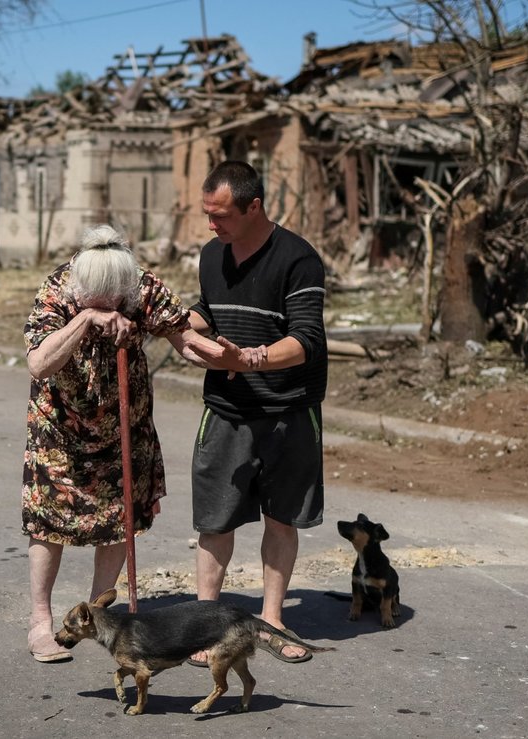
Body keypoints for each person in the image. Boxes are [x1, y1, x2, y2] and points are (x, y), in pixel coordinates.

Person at [21, 223, 225, 662]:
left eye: (118, 298)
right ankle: (41, 622)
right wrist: (86, 320)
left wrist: (227, 357)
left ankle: (98, 614)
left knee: (118, 518)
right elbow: (39, 362)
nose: (112, 304)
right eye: (101, 299)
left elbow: (184, 339)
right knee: (49, 522)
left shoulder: (138, 283)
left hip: (123, 427)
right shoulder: (58, 290)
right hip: (62, 429)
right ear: (81, 286)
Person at [186, 160, 328, 664]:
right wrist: (187, 330)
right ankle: (205, 624)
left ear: (254, 207)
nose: (211, 225)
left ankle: (272, 619)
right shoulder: (211, 254)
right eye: (207, 213)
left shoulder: (298, 260)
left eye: (221, 215)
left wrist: (246, 359)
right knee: (215, 521)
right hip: (225, 410)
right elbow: (209, 309)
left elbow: (306, 340)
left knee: (281, 518)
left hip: (289, 410)